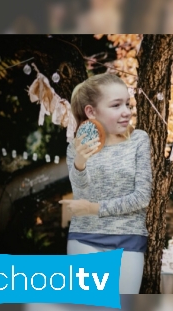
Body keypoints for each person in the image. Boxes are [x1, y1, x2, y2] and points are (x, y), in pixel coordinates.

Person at [59, 73, 152, 294]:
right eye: (116, 105)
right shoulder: (75, 147)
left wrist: (94, 208)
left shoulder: (139, 140)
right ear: (91, 111)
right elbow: (82, 193)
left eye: (127, 104)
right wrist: (80, 163)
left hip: (129, 241)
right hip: (84, 240)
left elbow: (141, 197)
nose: (127, 111)